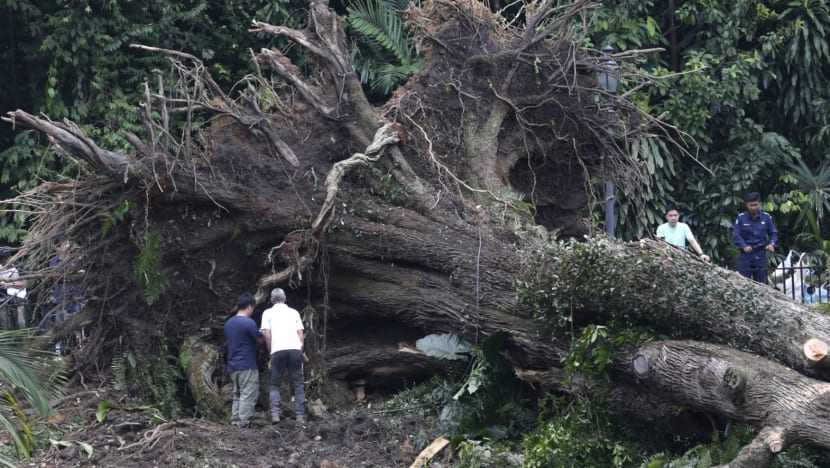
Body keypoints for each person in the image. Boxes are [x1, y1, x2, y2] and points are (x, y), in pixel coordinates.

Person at [260, 287, 306, 424]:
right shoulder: (294, 312)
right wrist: (300, 350)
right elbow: (301, 335)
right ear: (285, 299)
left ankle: (275, 414)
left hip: (277, 350)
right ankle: (300, 416)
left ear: (272, 300)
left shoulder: (267, 313)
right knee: (298, 384)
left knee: (275, 384)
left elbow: (267, 335)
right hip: (294, 349)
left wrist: (270, 351)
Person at [223, 292, 265, 428]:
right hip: (246, 364)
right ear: (249, 306)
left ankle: (235, 422)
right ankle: (243, 424)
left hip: (232, 365)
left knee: (237, 394)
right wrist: (265, 333)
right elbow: (260, 339)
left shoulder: (228, 323)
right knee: (248, 394)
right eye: (253, 308)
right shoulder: (248, 323)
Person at [733, 192, 778, 283]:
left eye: (755, 205)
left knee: (762, 283)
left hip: (761, 254)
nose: (753, 207)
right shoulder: (741, 218)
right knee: (743, 282)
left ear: (760, 204)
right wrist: (744, 246)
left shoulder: (766, 218)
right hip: (746, 255)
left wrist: (771, 244)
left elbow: (774, 233)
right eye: (751, 205)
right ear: (746, 205)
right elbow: (736, 235)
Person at [0, 250, 27, 329]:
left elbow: (24, 283)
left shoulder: (19, 266)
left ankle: (24, 340)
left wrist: (10, 284)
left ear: (9, 258)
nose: (3, 264)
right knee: (4, 325)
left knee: (21, 323)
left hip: (18, 298)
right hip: (3, 298)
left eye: (4, 262)